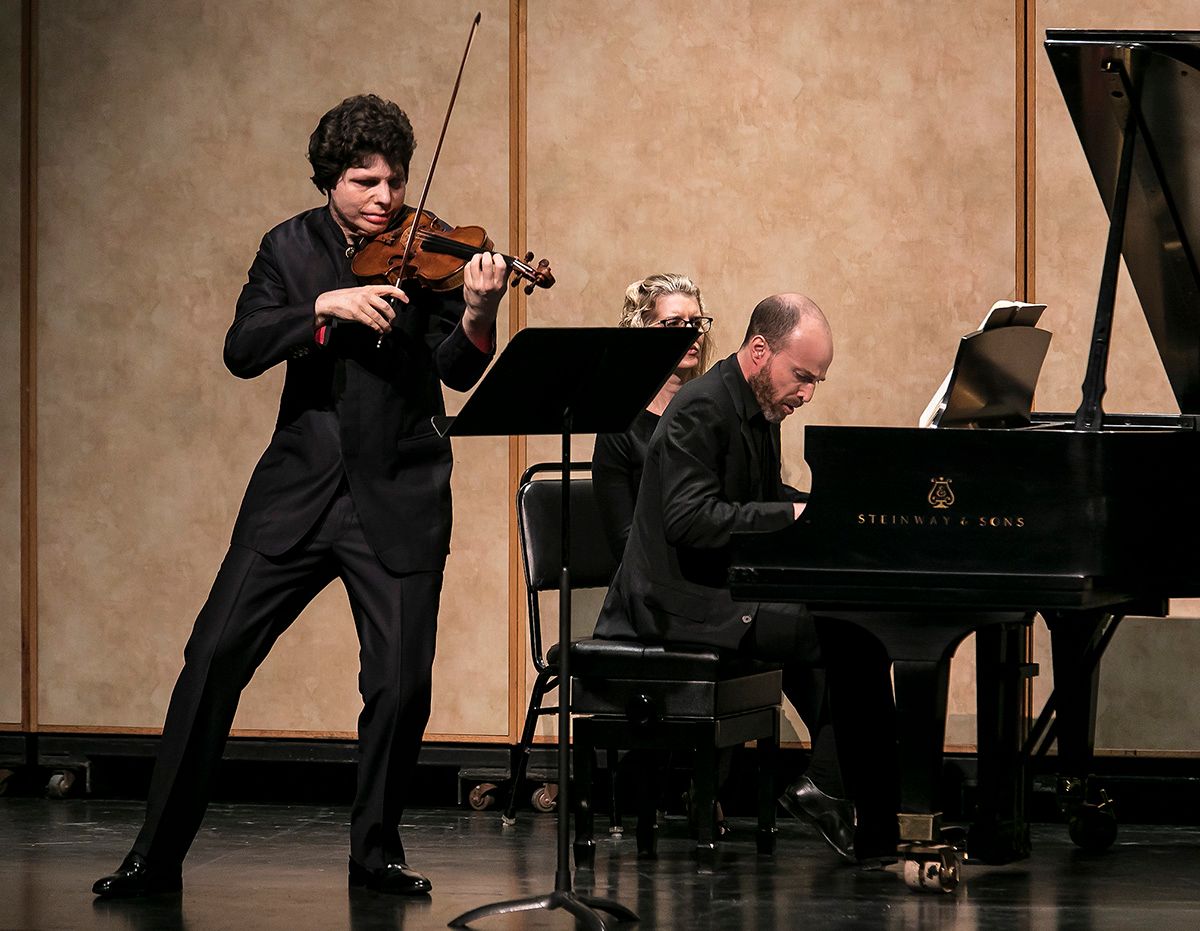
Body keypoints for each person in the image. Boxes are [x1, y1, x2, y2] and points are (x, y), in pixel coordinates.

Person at [92, 94, 509, 899]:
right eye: (364, 180)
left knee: (399, 683)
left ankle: (375, 854)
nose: (385, 197)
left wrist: (483, 310)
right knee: (211, 658)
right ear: (329, 179)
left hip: (400, 488)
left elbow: (457, 367)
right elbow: (243, 347)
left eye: (393, 179)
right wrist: (324, 307)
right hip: (298, 492)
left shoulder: (431, 250)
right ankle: (155, 854)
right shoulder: (287, 248)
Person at [594, 293, 897, 862]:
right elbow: (688, 519)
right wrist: (792, 515)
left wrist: (827, 509)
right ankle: (838, 792)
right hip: (676, 604)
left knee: (854, 626)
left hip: (718, 592)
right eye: (801, 377)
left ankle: (858, 804)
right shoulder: (701, 409)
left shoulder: (757, 407)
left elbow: (757, 501)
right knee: (853, 636)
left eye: (816, 383)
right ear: (760, 351)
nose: (806, 394)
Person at [592, 274, 714, 561]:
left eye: (696, 323)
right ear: (642, 331)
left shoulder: (712, 412)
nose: (691, 332)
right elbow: (625, 542)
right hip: (650, 582)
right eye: (674, 324)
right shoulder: (619, 426)